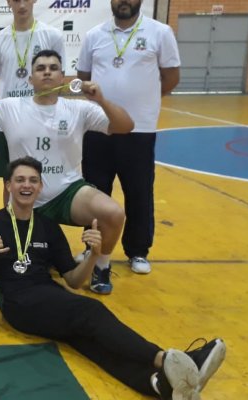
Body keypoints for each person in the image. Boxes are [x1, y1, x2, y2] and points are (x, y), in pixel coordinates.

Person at [0, 156, 226, 400]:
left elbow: (73, 280)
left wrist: (94, 254)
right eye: (20, 180)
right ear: (8, 185)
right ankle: (165, 358)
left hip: (49, 295)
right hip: (16, 302)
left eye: (33, 180)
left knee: (87, 340)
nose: (27, 185)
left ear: (40, 186)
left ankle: (156, 384)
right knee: (90, 311)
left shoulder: (47, 226)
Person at [0, 50, 132, 295]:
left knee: (114, 213)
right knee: (20, 268)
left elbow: (125, 126)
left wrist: (101, 100)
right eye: (40, 68)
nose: (47, 72)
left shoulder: (79, 109)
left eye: (53, 68)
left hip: (68, 192)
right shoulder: (11, 106)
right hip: (26, 197)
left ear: (62, 76)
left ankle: (101, 265)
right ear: (30, 78)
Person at [76, 0, 181, 274]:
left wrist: (146, 98)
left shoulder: (160, 32)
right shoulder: (94, 35)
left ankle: (138, 251)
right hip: (99, 128)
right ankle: (91, 247)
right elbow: (84, 75)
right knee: (94, 192)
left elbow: (171, 77)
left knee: (139, 191)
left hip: (140, 130)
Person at [0, 0, 64, 206]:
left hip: (42, 120)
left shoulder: (52, 35)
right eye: (16, 0)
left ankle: (42, 221)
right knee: (10, 180)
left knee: (43, 177)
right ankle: (11, 221)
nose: (21, 5)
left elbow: (57, 79)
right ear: (9, 2)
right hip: (9, 122)